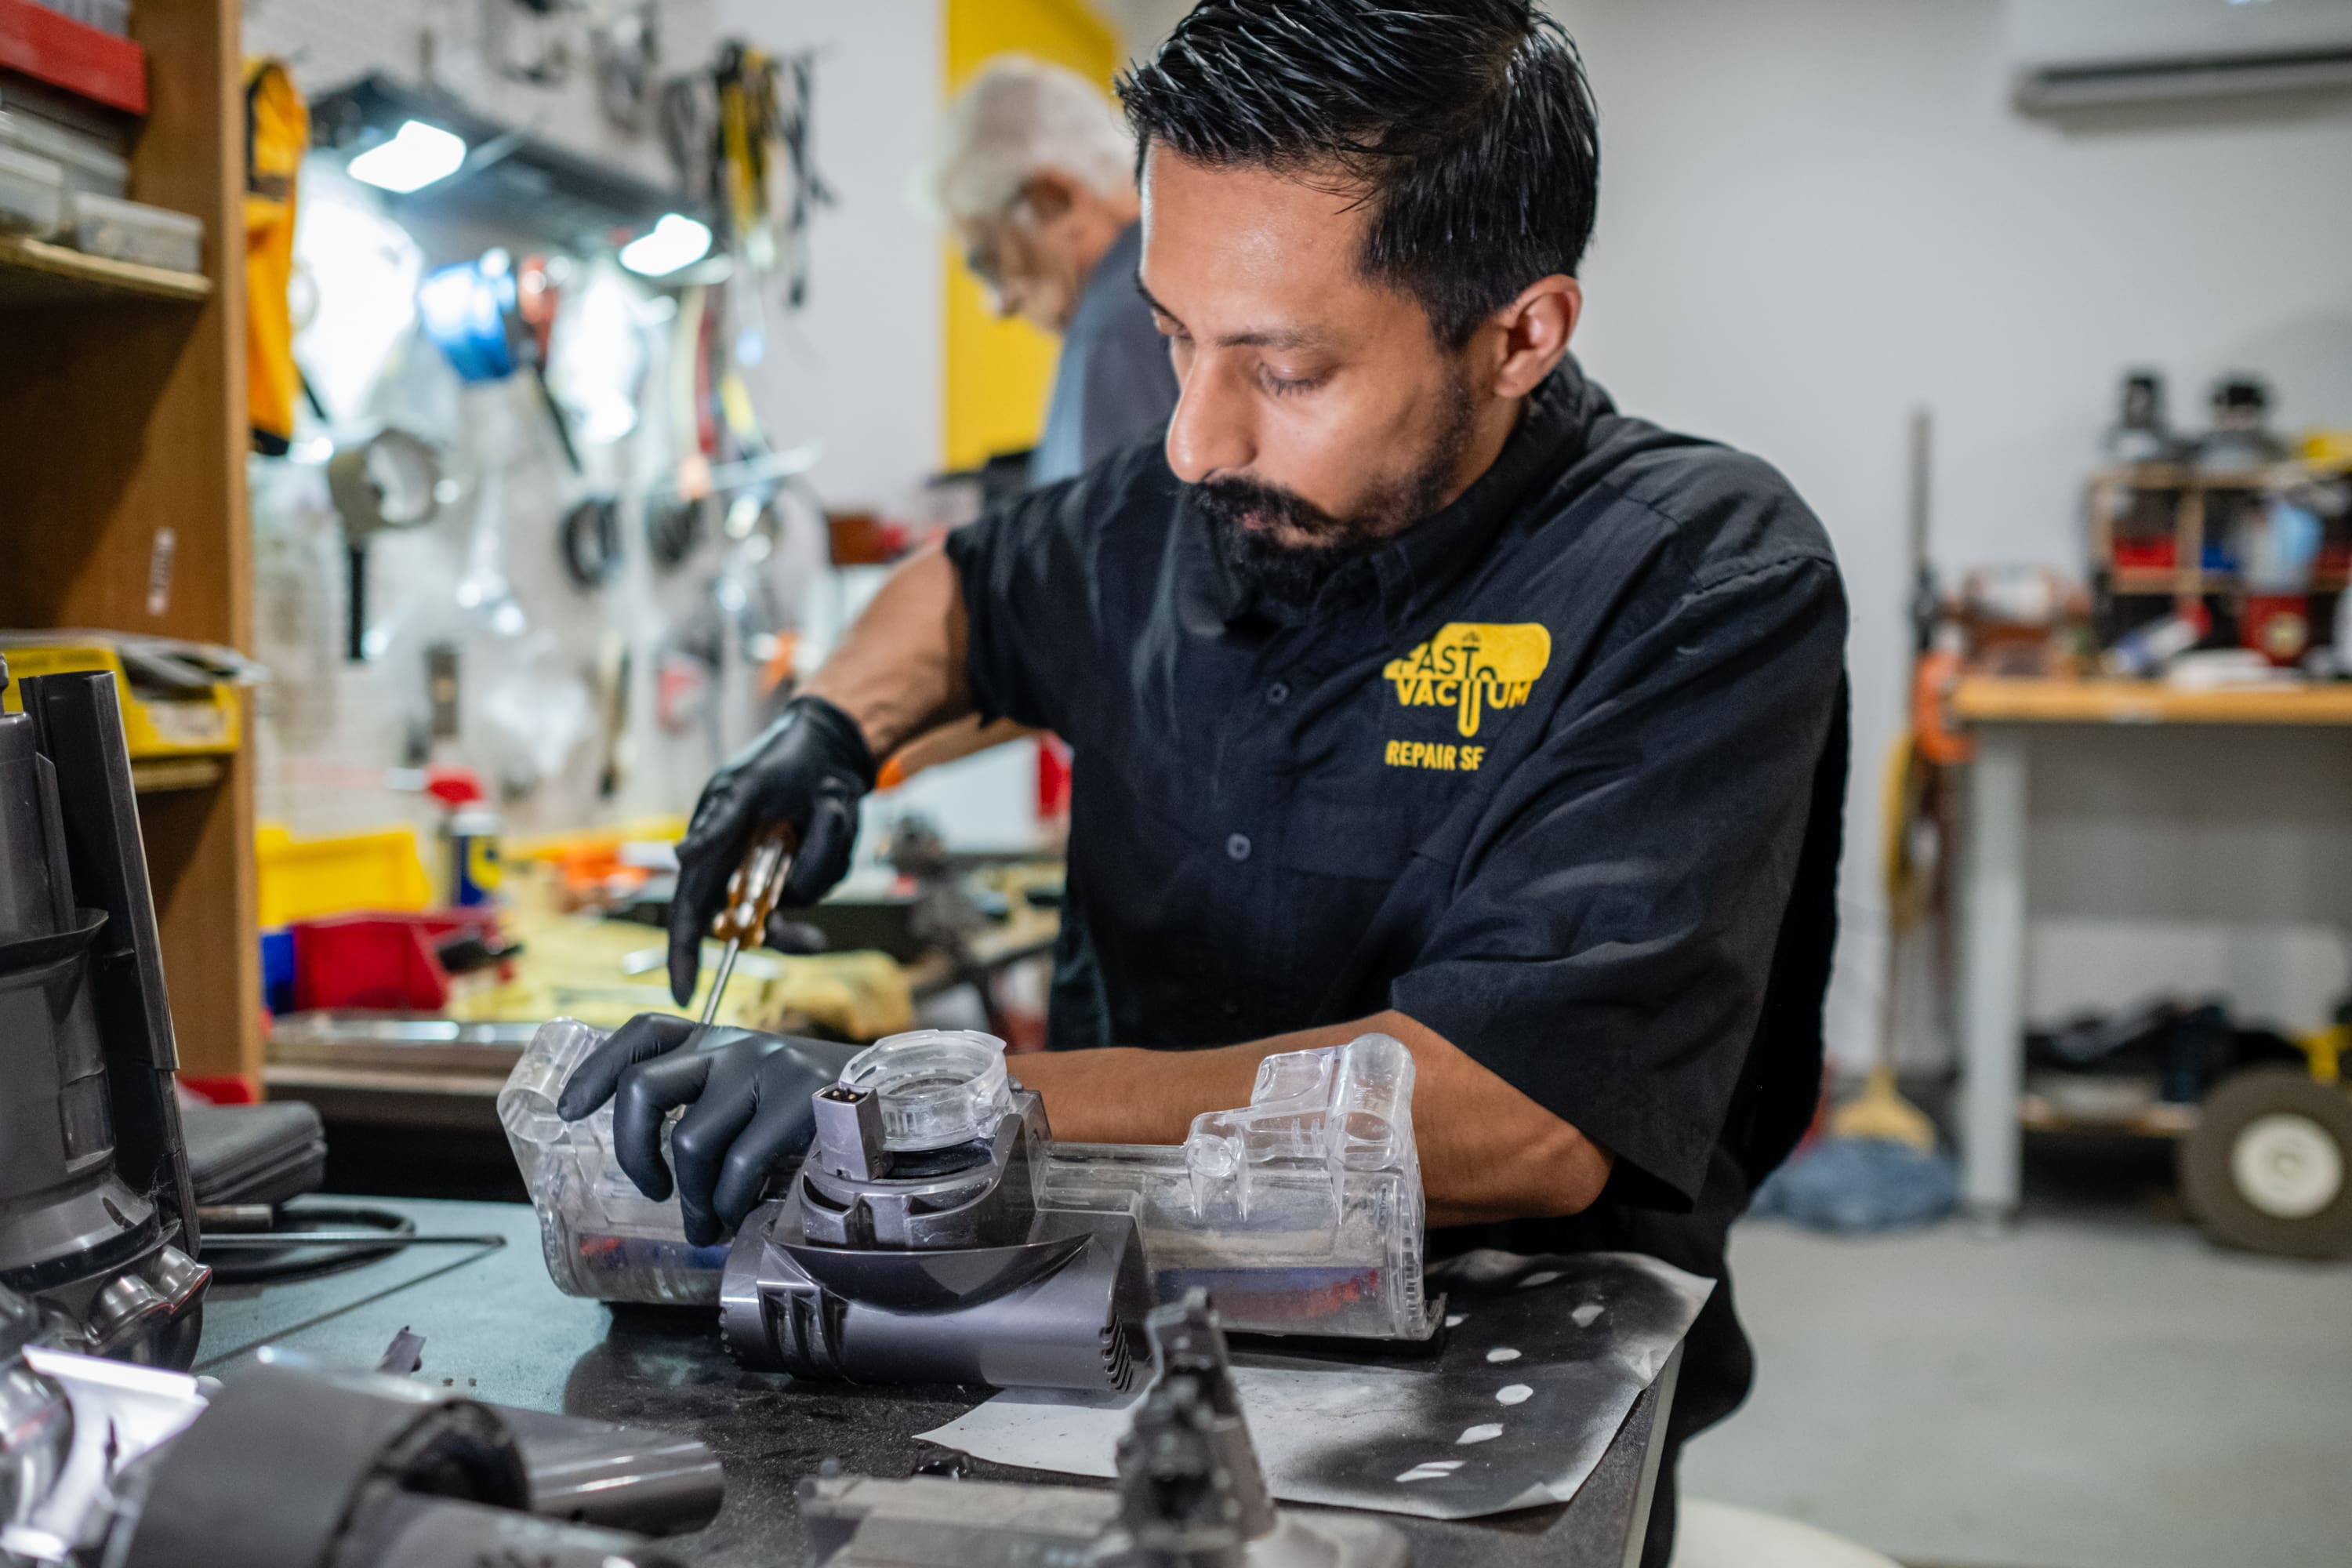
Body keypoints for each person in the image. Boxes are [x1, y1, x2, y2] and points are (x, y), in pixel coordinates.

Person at [561, 5, 1848, 1562]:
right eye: (1173, 336)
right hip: (1078, 1363)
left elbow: (1517, 1111)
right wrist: (831, 726)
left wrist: (915, 1104)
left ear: (1521, 333)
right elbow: (972, 588)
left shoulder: (1698, 575)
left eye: (1283, 366)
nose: (1190, 438)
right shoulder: (1187, 509)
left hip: (1488, 1419)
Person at [926, 53, 1180, 488]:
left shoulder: (1113, 326)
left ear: (1057, 198)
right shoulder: (1163, 285)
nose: (998, 305)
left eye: (991, 257)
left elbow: (1100, 546)